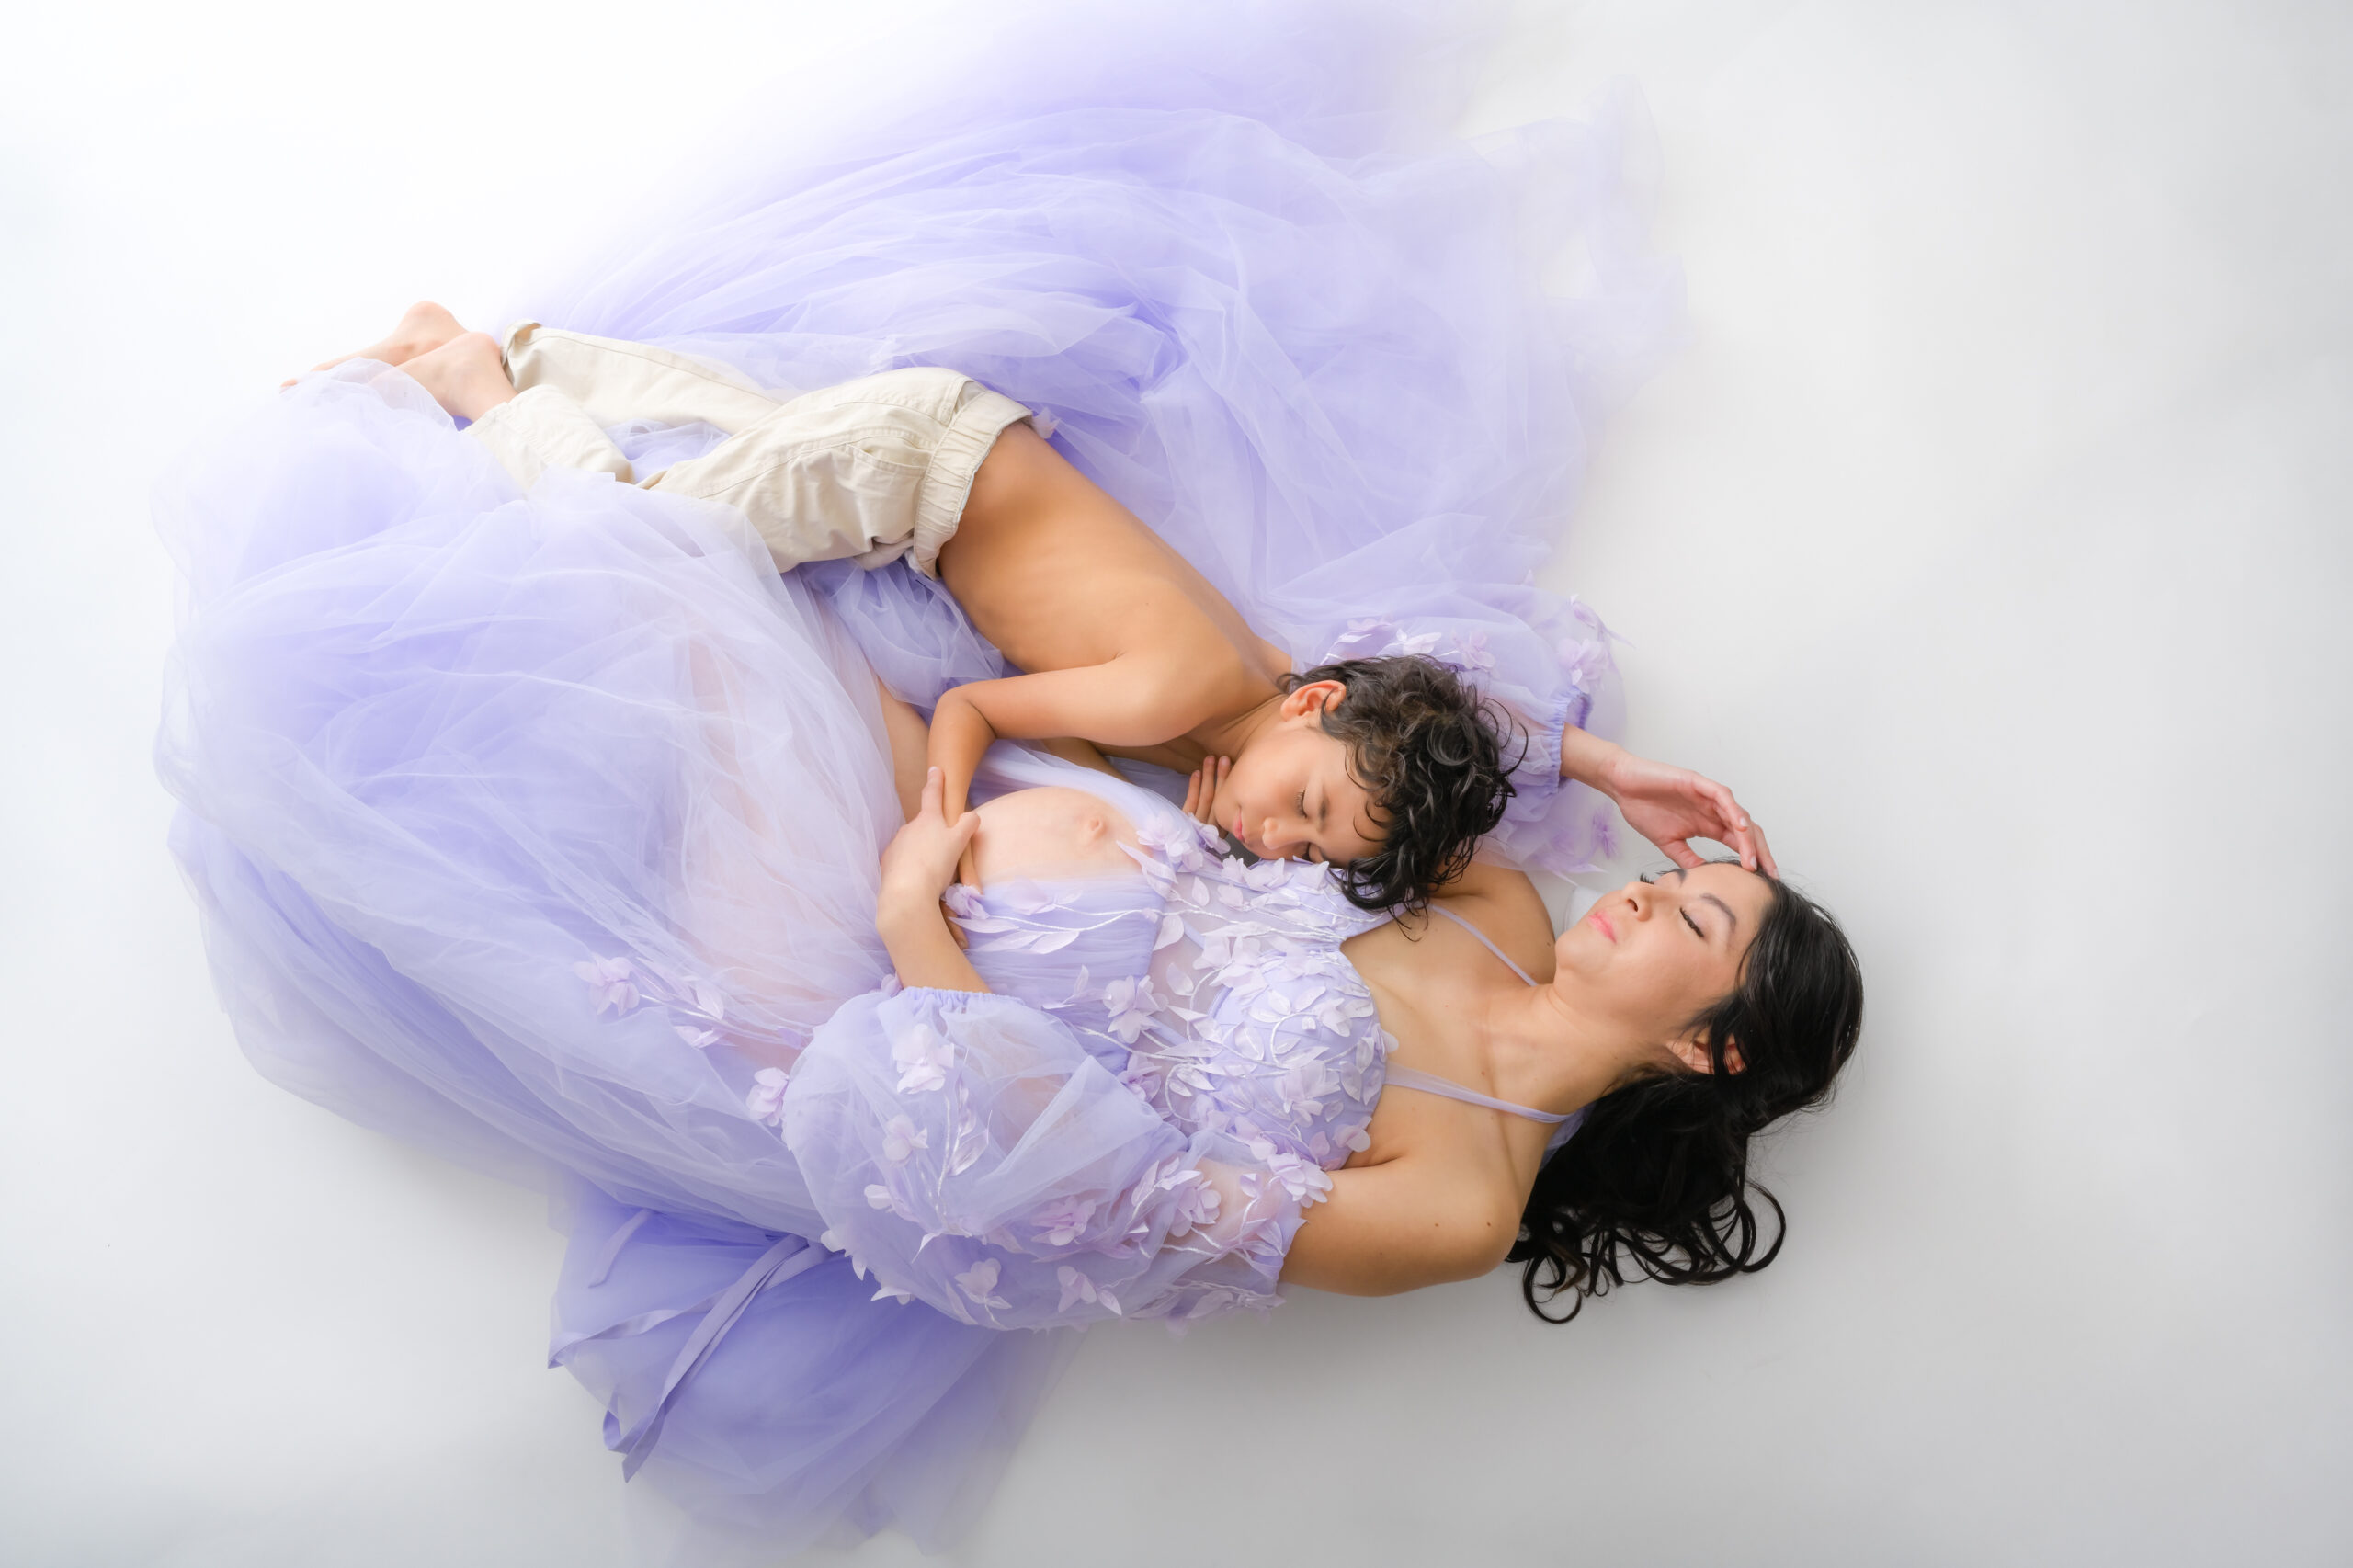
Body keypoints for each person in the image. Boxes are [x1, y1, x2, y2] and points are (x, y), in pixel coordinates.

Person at [153, 0, 1861, 1552]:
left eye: (1694, 917)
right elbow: (1380, 707)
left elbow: (1110, 1211)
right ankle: (517, 383)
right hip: (980, 787)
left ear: (1706, 1043)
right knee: (762, 583)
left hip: (881, 945)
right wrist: (1604, 757)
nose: (1644, 889)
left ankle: (477, 395)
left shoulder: (1461, 1204)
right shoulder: (1498, 900)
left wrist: (922, 941)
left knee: (681, 634)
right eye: (1677, 874)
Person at [314, 306, 1769, 910]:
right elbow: (970, 705)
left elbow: (1439, 702)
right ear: (1315, 713)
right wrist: (940, 820)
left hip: (935, 463)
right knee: (646, 551)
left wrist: (1601, 763)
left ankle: (543, 358)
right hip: (914, 474)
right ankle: (475, 382)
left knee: (730, 454)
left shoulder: (1265, 690)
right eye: (1309, 807)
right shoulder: (1178, 691)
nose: (1278, 837)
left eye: (1310, 851)